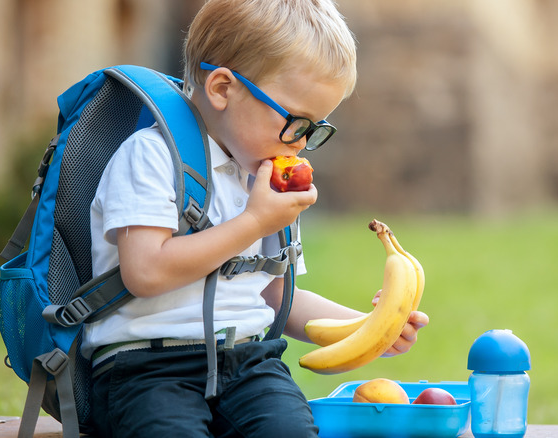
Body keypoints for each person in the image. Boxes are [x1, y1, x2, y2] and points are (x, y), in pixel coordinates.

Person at [83, 0, 429, 436]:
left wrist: (368, 329)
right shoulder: (151, 156)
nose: (300, 144)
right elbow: (145, 272)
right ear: (223, 89)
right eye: (295, 122)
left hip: (248, 364)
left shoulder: (264, 180)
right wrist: (254, 223)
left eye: (314, 129)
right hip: (148, 367)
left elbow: (275, 295)